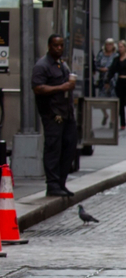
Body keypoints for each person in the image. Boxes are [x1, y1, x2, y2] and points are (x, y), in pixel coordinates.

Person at [32, 34, 77, 197]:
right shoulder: (42, 66)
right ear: (49, 46)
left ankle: (61, 183)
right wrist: (62, 87)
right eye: (55, 45)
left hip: (66, 113)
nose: (59, 48)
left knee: (69, 147)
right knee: (53, 148)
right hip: (52, 114)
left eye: (61, 45)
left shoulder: (61, 65)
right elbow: (38, 88)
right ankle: (52, 185)